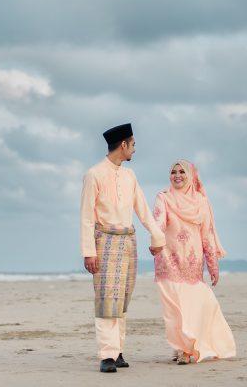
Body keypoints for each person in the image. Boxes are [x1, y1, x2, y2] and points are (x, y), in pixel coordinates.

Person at [80, 122, 166, 373]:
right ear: (123, 144)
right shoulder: (93, 174)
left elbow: (142, 209)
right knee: (108, 299)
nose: (135, 150)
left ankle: (117, 351)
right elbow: (86, 216)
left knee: (123, 299)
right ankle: (106, 355)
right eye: (133, 144)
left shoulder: (130, 175)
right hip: (104, 241)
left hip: (128, 241)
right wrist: (89, 251)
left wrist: (157, 236)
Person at [150, 159, 236, 365]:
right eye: (173, 171)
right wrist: (156, 241)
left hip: (192, 262)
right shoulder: (163, 198)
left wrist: (213, 266)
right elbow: (159, 222)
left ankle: (190, 349)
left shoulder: (201, 202)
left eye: (182, 172)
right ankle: (181, 348)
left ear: (190, 176)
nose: (177, 175)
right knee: (173, 310)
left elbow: (206, 236)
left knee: (194, 306)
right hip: (168, 260)